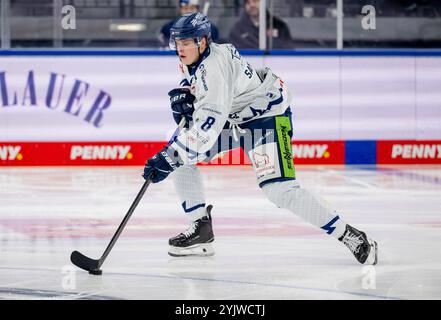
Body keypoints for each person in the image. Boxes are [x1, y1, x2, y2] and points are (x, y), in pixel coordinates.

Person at [143, 12, 378, 265]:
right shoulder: (199, 56)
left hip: (265, 119)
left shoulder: (214, 68)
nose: (180, 48)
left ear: (202, 41)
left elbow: (207, 126)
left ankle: (349, 235)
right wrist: (185, 93)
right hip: (235, 120)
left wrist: (170, 157)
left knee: (279, 190)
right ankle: (201, 228)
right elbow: (199, 86)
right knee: (180, 155)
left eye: (186, 42)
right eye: (178, 43)